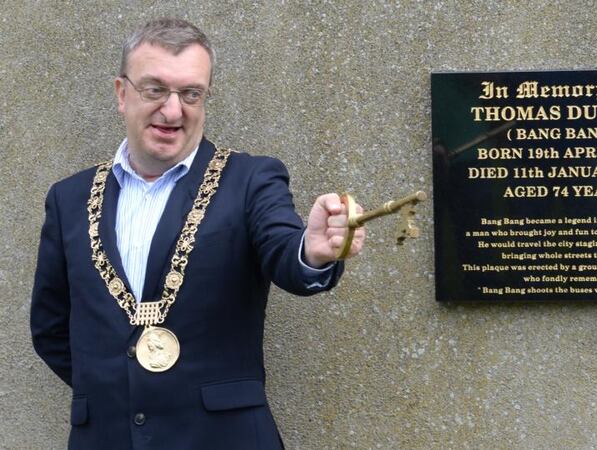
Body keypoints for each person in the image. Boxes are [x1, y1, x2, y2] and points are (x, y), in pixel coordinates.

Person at [30, 18, 365, 449]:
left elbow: (286, 252)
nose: (173, 110)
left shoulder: (251, 180)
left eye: (191, 93)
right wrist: (122, 388)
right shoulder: (68, 198)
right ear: (121, 93)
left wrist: (313, 252)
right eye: (155, 90)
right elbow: (50, 326)